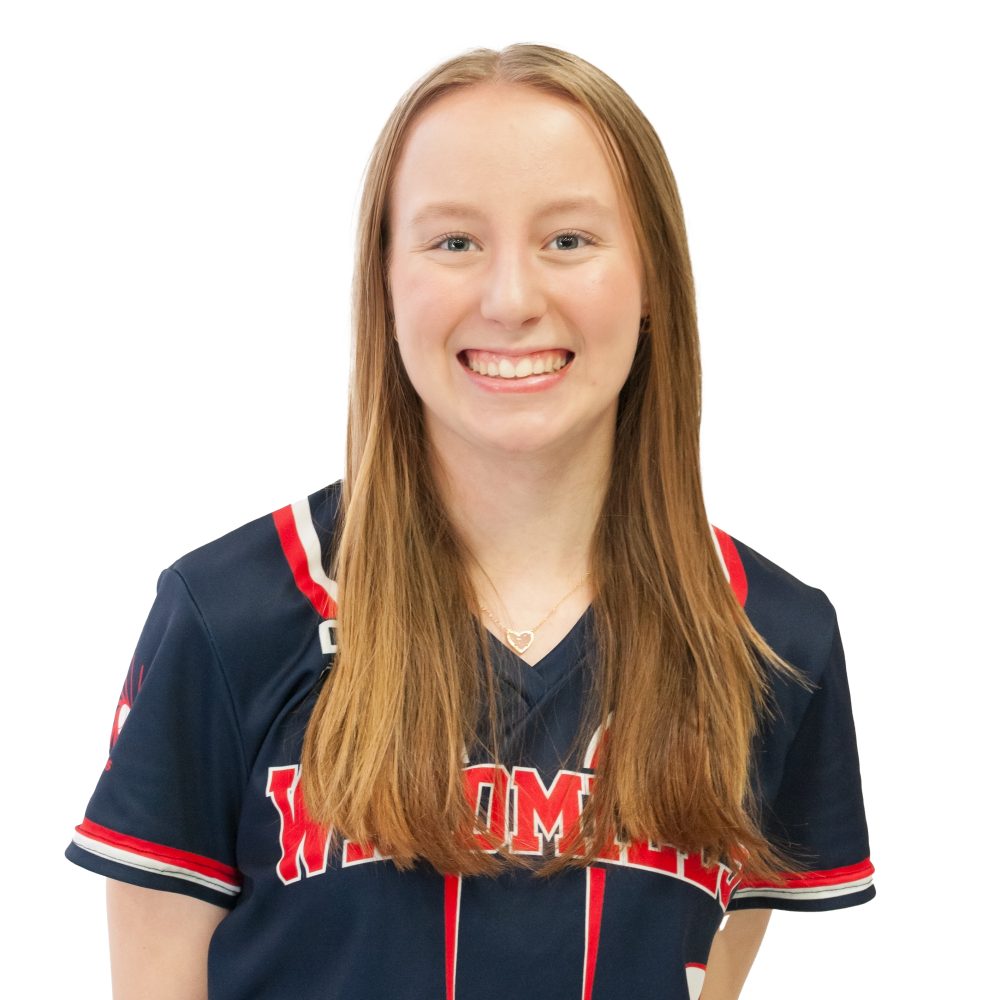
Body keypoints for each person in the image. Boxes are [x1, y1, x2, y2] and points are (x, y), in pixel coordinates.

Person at [66, 43, 874, 1000]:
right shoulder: (229, 618)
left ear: (653, 278)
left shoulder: (770, 641)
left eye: (567, 240)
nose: (511, 300)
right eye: (454, 242)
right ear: (384, 280)